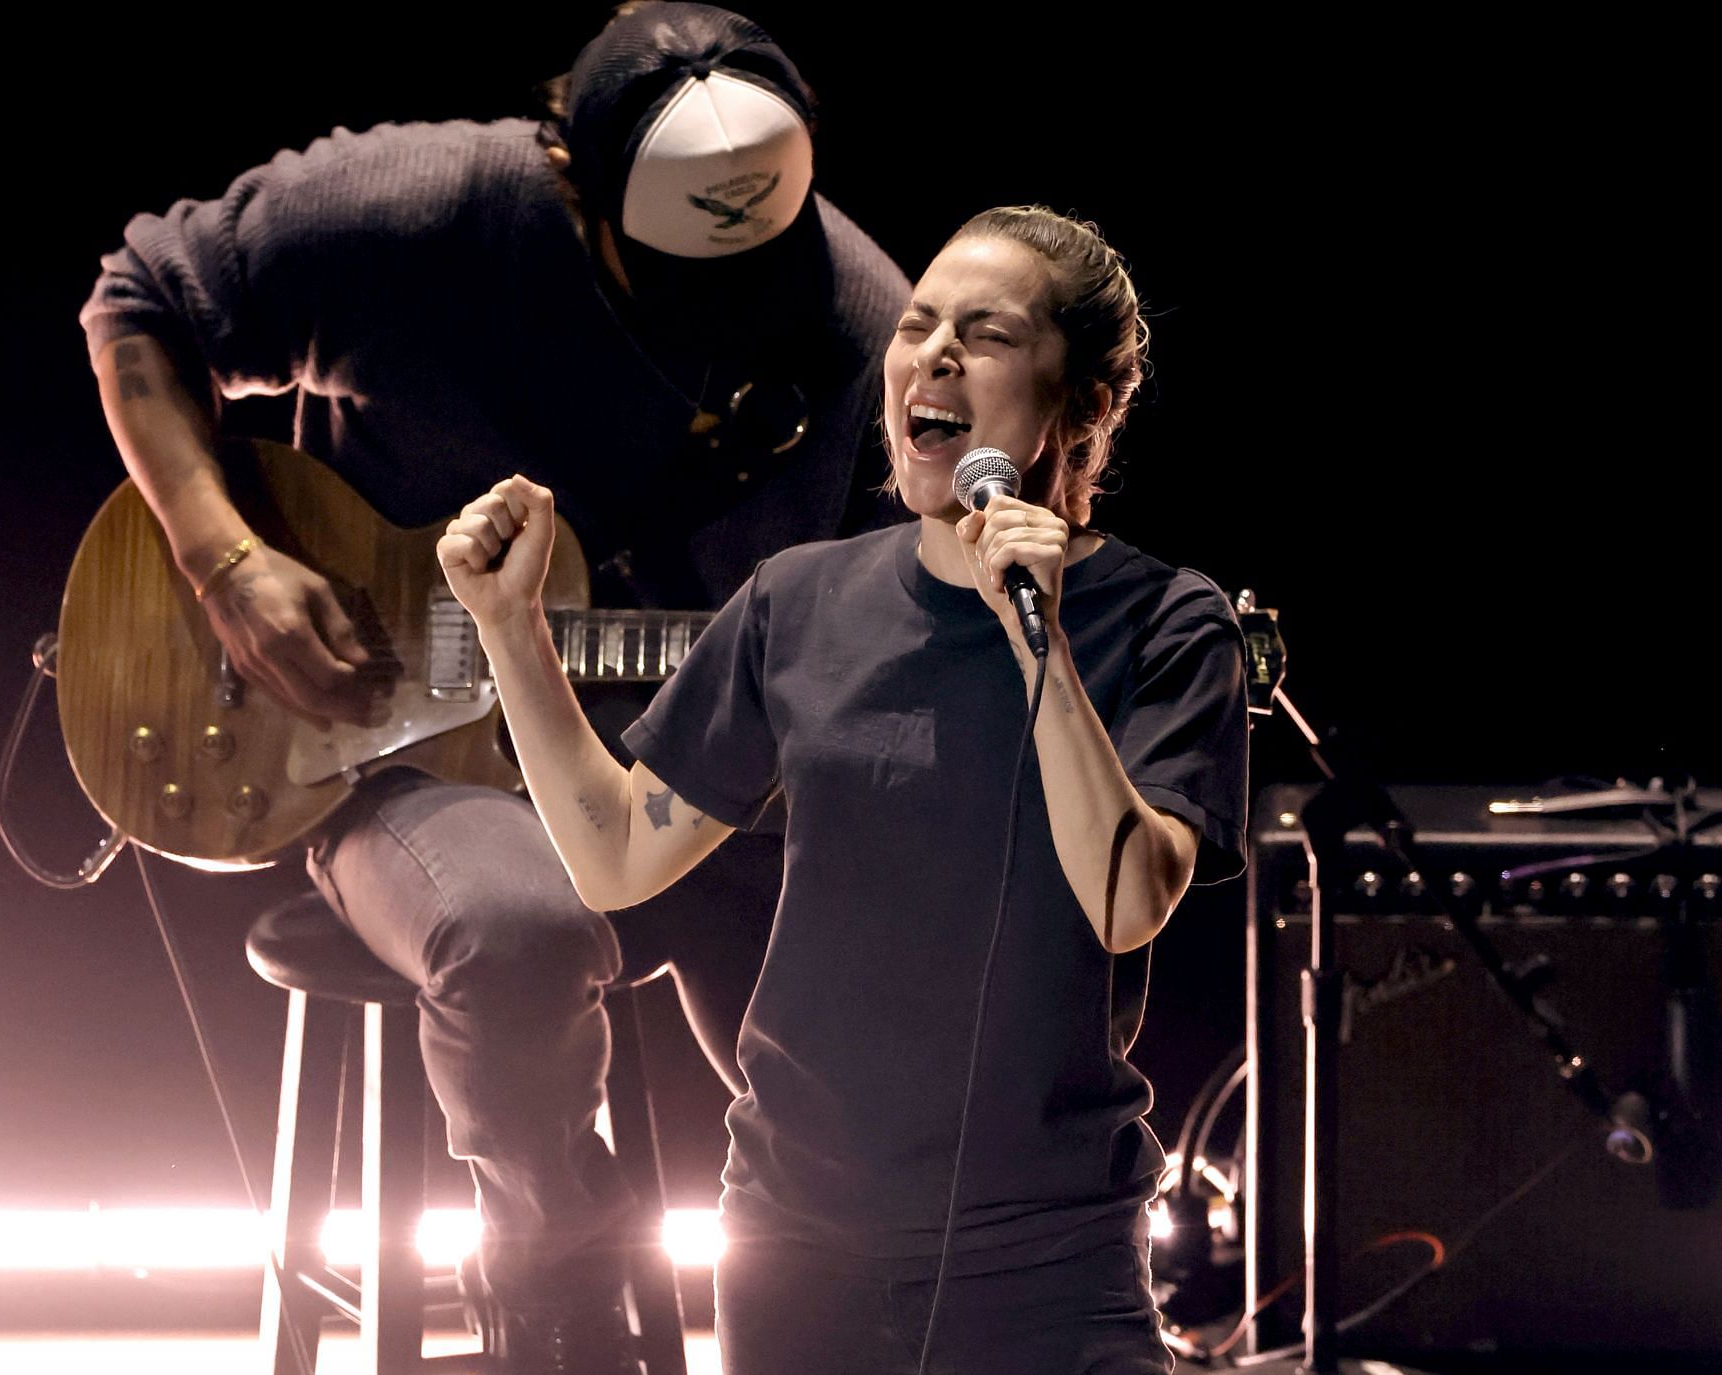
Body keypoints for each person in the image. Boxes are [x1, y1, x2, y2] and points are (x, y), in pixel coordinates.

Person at [78, 6, 910, 1372]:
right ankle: (555, 1270)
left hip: (690, 779)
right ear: (574, 192)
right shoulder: (430, 213)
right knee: (518, 930)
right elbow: (140, 300)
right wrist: (226, 561)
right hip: (401, 750)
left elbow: (899, 617)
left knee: (878, 1008)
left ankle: (841, 1306)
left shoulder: (862, 321)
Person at [439, 206, 1250, 1375]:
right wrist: (508, 631)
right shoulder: (797, 602)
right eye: (918, 324)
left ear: (1081, 403)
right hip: (794, 1241)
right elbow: (615, 855)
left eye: (989, 334)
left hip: (1044, 1262)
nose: (934, 353)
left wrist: (1039, 644)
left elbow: (1129, 899)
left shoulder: (1170, 622)